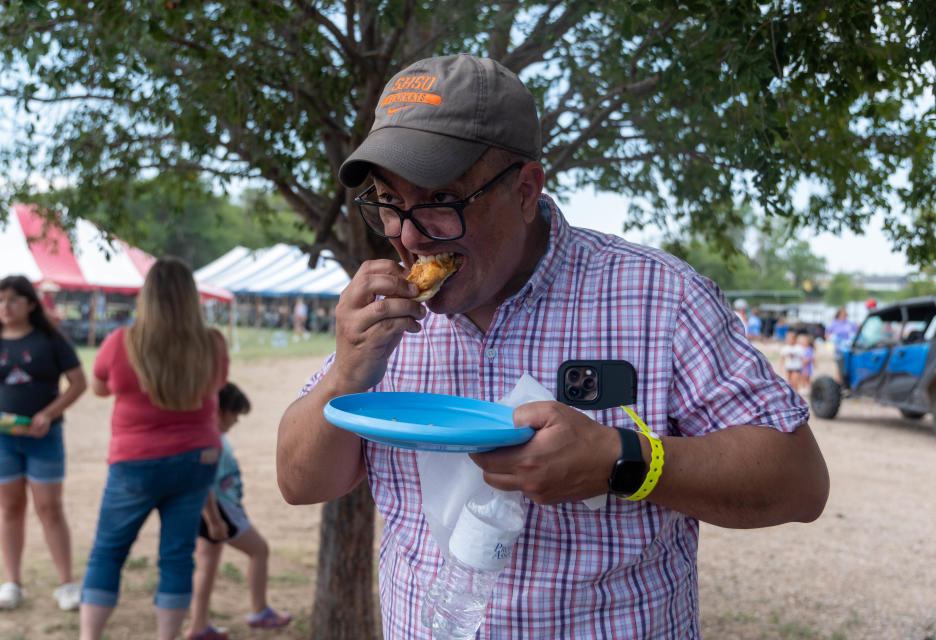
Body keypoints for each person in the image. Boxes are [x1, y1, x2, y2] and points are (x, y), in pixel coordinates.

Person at [276, 54, 829, 638]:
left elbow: (798, 481)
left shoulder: (659, 298)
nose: (408, 236)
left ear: (525, 190)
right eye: (388, 202)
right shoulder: (379, 324)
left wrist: (624, 460)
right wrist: (346, 373)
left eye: (440, 200)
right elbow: (301, 482)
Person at [79, 257, 228, 640]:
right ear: (191, 298)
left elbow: (99, 388)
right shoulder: (212, 343)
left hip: (135, 462)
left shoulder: (120, 343)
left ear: (146, 298)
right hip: (198, 458)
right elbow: (214, 387)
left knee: (108, 553)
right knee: (177, 557)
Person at [0, 275, 87, 611]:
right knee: (10, 509)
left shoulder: (50, 339)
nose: (4, 306)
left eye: (12, 299)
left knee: (49, 508)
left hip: (44, 438)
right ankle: (12, 584)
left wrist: (48, 415)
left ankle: (66, 584)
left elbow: (78, 383)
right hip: (0, 439)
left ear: (29, 303)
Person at [185, 382, 292, 640]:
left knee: (206, 565)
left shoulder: (205, 436)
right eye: (234, 415)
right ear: (221, 411)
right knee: (259, 550)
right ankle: (259, 611)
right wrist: (214, 520)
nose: (235, 422)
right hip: (219, 510)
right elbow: (202, 480)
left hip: (209, 510)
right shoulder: (212, 442)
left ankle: (199, 627)